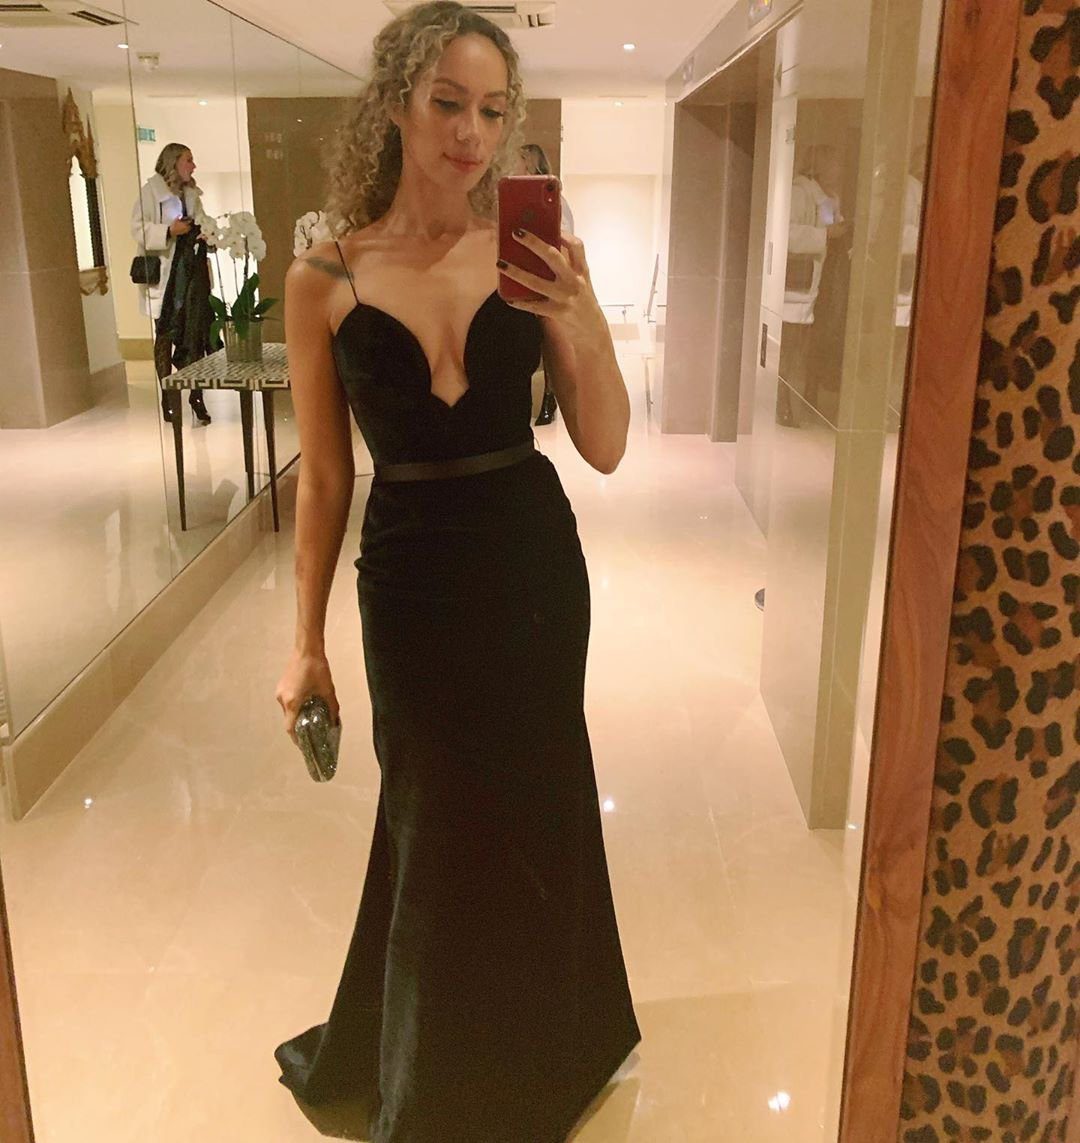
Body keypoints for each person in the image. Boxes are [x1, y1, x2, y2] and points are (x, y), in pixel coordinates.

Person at [272, 4, 640, 1141]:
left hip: (530, 564)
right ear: (397, 104)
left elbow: (606, 444)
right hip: (410, 578)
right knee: (430, 813)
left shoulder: (529, 258)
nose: (471, 134)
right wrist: (305, 644)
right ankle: (433, 1077)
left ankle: (542, 1047)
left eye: (491, 110)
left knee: (535, 794)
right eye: (447, 104)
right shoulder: (322, 276)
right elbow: (324, 479)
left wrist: (583, 317)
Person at [130, 143, 213, 425]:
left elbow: (203, 221)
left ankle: (197, 397)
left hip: (190, 273)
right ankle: (168, 396)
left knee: (196, 334)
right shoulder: (151, 192)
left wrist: (206, 232)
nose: (193, 166)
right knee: (166, 333)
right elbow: (137, 228)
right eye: (188, 160)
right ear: (174, 162)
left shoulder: (192, 194)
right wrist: (168, 230)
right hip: (167, 276)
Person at [779, 144, 850, 423]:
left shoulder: (826, 198)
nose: (839, 170)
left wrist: (838, 229)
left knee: (804, 346)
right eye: (835, 165)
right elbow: (786, 233)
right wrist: (825, 235)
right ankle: (783, 403)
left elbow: (831, 227)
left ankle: (802, 398)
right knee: (789, 347)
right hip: (797, 282)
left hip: (819, 280)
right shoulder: (800, 193)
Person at [519, 141, 574, 424]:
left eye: (523, 160)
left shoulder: (556, 202)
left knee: (552, 342)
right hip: (519, 276)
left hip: (548, 279)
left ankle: (549, 399)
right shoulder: (508, 201)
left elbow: (565, 240)